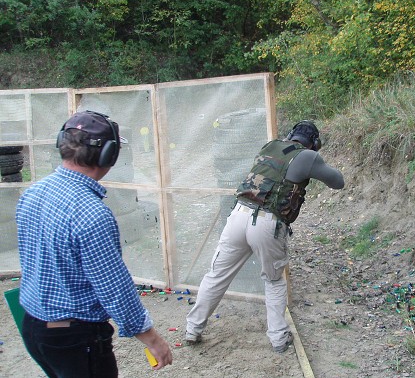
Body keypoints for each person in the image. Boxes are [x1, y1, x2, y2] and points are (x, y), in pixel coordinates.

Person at [16, 110, 173, 377]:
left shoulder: (32, 193)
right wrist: (153, 340)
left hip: (34, 328)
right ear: (109, 155)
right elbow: (114, 288)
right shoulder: (91, 213)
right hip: (75, 339)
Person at [186, 120, 344, 353]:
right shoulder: (308, 156)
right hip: (268, 224)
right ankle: (279, 339)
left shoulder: (270, 146)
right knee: (273, 281)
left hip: (238, 214)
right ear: (314, 143)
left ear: (290, 134)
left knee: (216, 275)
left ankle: (192, 329)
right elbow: (338, 181)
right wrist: (316, 159)